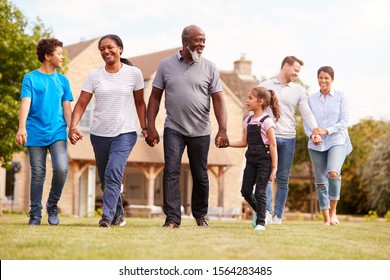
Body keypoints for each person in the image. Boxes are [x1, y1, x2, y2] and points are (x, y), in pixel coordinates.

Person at [146, 25, 229, 228]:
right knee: (171, 171)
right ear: (185, 41)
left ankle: (201, 215)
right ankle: (173, 218)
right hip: (173, 127)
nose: (201, 45)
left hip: (201, 129)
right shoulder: (165, 65)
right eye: (197, 40)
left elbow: (218, 100)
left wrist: (223, 129)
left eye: (203, 41)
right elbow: (155, 98)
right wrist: (151, 126)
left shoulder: (210, 67)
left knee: (200, 173)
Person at [68, 34, 147, 228]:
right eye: (102, 49)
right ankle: (118, 214)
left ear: (120, 48)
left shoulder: (134, 73)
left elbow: (140, 103)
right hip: (99, 134)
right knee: (105, 180)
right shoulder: (94, 76)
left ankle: (106, 217)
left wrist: (146, 127)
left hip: (125, 132)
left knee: (113, 172)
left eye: (110, 47)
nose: (106, 51)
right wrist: (73, 126)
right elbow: (81, 104)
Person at [15, 38, 73, 226]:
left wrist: (72, 128)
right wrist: (21, 127)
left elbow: (66, 109)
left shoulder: (63, 81)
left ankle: (52, 204)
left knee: (62, 168)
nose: (62, 57)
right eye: (59, 54)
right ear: (48, 56)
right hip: (35, 131)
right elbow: (25, 103)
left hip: (57, 131)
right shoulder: (30, 78)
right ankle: (35, 214)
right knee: (38, 173)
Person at [260, 56, 321, 225]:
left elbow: (306, 113)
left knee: (282, 178)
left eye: (298, 71)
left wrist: (315, 130)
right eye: (295, 70)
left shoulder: (299, 91)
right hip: (267, 136)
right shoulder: (264, 86)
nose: (297, 73)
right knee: (265, 175)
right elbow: (255, 111)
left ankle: (277, 215)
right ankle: (265, 212)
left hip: (288, 139)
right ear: (285, 66)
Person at [304, 66, 352, 225]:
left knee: (333, 173)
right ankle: (325, 217)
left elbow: (344, 122)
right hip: (316, 144)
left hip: (337, 140)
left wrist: (326, 131)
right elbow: (307, 122)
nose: (323, 81)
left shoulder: (341, 97)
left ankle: (333, 212)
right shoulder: (310, 99)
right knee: (320, 181)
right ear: (317, 78)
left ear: (332, 80)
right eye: (320, 77)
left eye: (326, 78)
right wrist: (313, 134)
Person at [229, 87, 280, 231]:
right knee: (245, 191)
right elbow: (243, 142)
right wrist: (227, 143)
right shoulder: (247, 120)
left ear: (261, 101)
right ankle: (261, 212)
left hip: (265, 160)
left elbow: (273, 145)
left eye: (250, 98)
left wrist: (274, 167)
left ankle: (261, 223)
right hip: (250, 159)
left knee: (260, 191)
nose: (247, 100)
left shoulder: (267, 121)